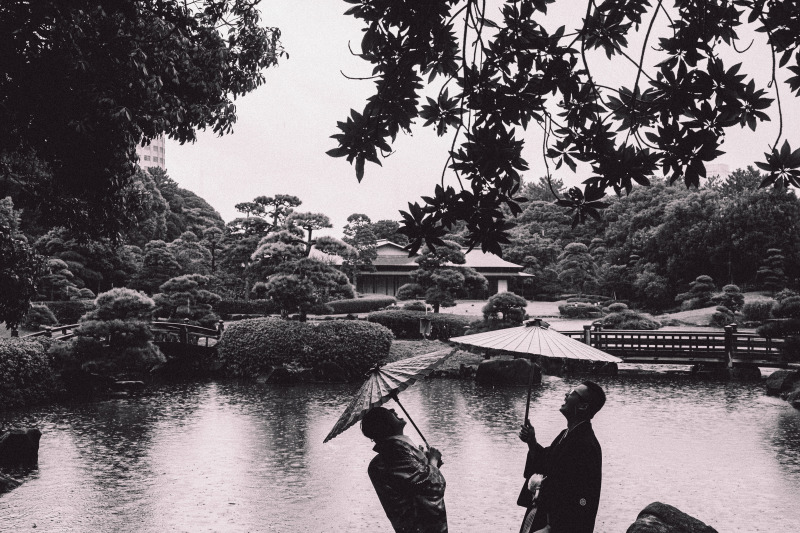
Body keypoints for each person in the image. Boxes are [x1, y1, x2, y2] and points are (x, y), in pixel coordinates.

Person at [517, 381, 606, 533]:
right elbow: (545, 463)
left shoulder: (586, 445)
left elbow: (582, 497)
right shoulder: (566, 435)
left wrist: (552, 528)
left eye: (572, 393)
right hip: (543, 516)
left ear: (583, 406)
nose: (566, 395)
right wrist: (532, 441)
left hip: (557, 526)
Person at [361, 406, 448, 533]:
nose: (392, 410)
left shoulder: (396, 451)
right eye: (387, 412)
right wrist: (433, 460)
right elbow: (432, 485)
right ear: (384, 425)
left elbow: (416, 484)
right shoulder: (394, 453)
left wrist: (426, 462)